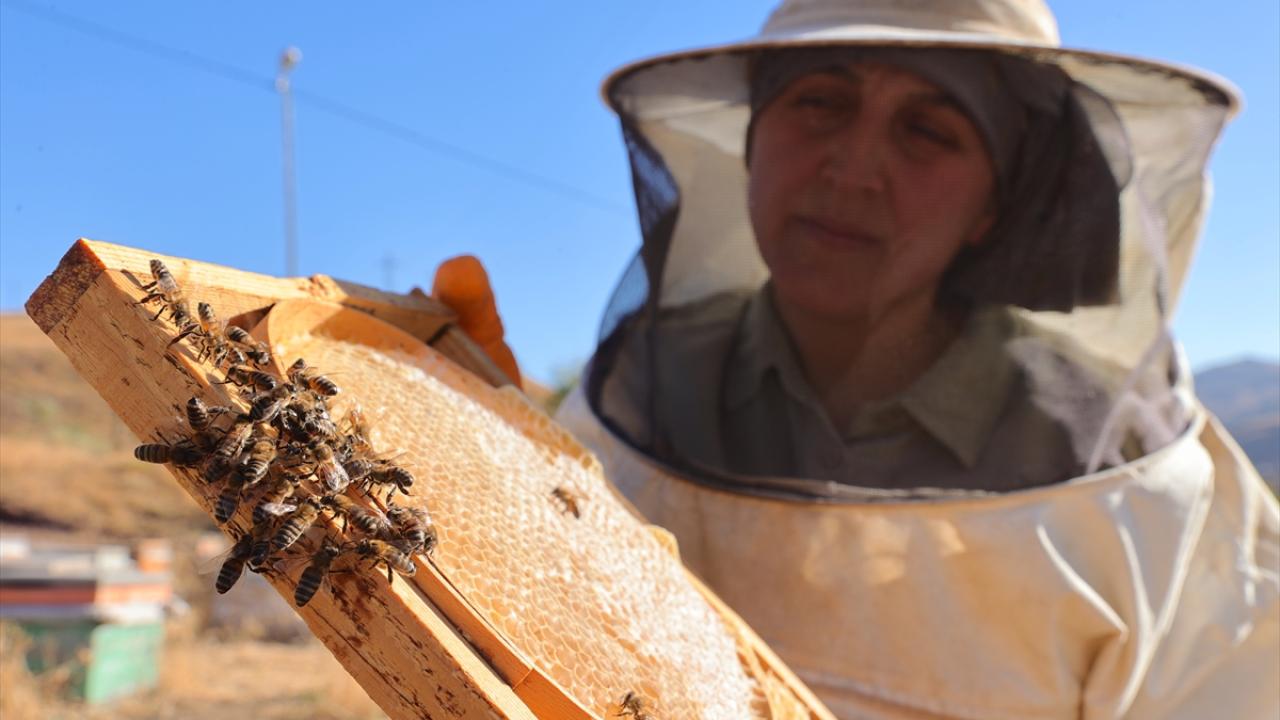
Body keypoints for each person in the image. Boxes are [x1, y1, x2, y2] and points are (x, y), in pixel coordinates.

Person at [437, 1, 1280, 717]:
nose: (855, 167)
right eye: (820, 103)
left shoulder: (1146, 486)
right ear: (752, 143)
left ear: (996, 201)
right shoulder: (635, 395)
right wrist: (474, 465)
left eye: (929, 130)